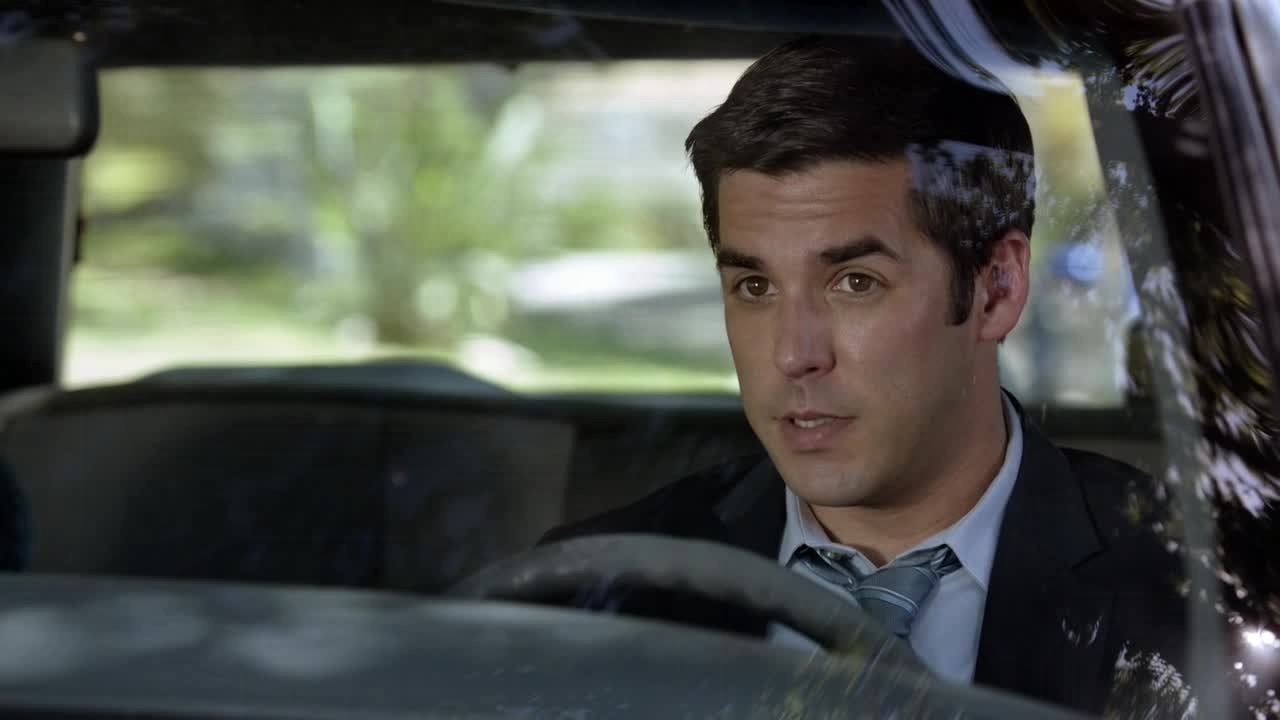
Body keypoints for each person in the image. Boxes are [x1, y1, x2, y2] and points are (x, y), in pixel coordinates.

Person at [539, 36, 1189, 715]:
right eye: (755, 286)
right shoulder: (593, 588)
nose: (793, 355)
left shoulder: (1199, 594)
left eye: (855, 282)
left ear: (996, 290)